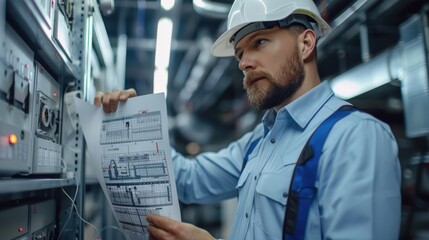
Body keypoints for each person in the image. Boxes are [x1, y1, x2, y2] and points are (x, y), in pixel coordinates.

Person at [94, 0, 402, 239]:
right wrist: (131, 126)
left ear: (306, 44)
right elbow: (188, 179)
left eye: (260, 42)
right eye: (240, 52)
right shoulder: (259, 141)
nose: (244, 63)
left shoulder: (356, 138)